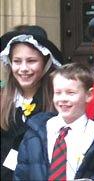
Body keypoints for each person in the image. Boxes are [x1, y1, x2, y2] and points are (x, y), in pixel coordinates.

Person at [14, 63, 94, 180]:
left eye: (71, 93)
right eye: (58, 92)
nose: (63, 99)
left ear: (89, 95)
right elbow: (21, 174)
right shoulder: (35, 133)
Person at [0, 26, 63, 181]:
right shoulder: (3, 99)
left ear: (46, 63)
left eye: (31, 61)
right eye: (17, 61)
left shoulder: (57, 100)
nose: (23, 68)